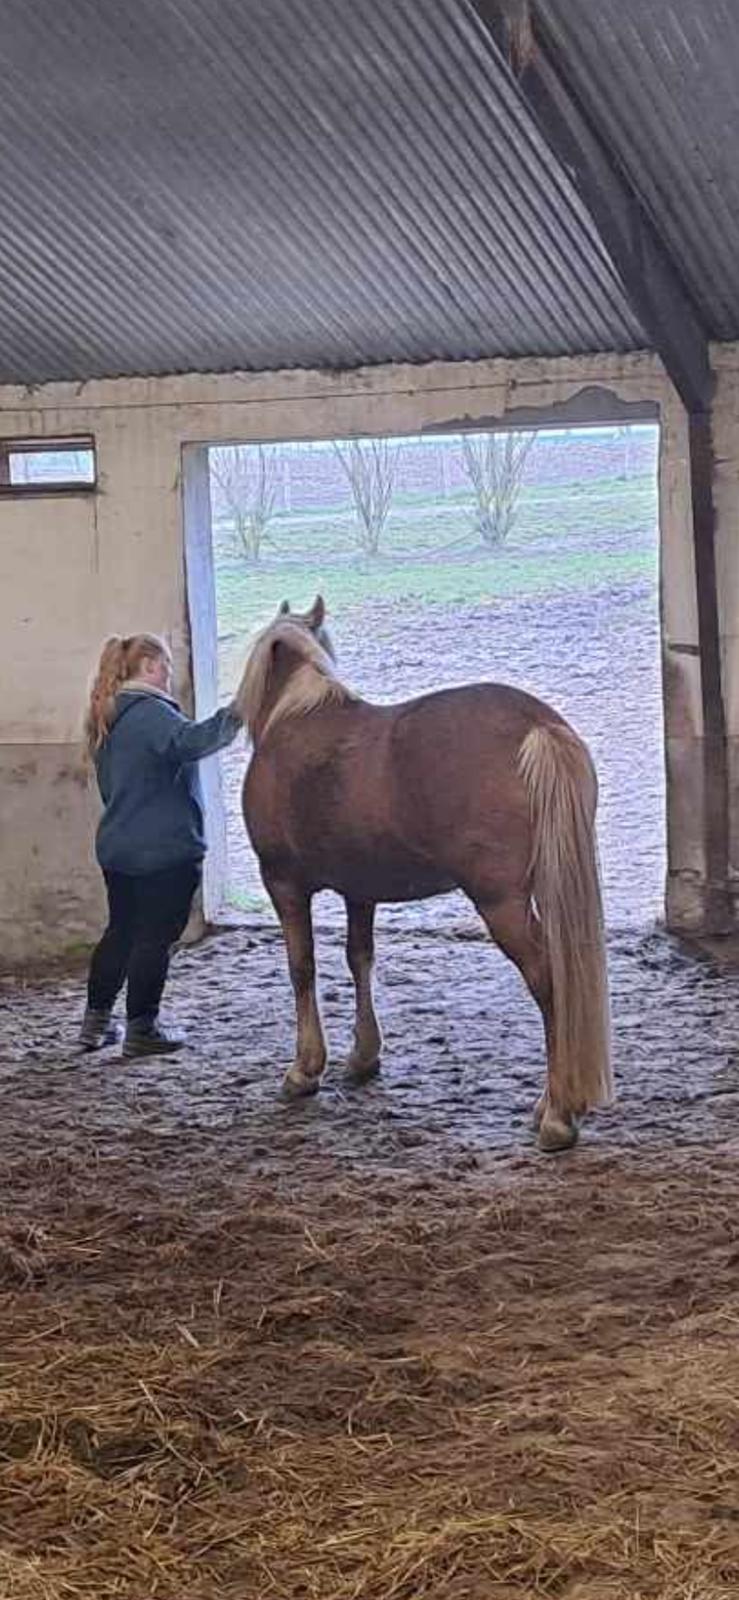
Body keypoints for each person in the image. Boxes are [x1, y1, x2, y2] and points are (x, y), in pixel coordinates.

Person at [80, 632, 243, 1058]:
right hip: (162, 852)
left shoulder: (108, 715)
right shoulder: (150, 713)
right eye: (167, 666)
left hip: (119, 846)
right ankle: (142, 1029)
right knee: (153, 939)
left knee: (120, 933)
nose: (170, 676)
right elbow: (190, 742)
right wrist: (240, 713)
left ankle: (94, 1024)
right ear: (151, 665)